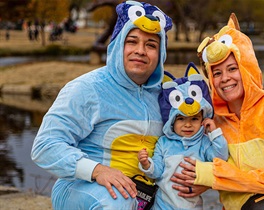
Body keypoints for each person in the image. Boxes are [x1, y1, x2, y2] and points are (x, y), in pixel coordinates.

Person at [170, 14, 264, 210]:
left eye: (232, 68)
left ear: (247, 67)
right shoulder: (212, 123)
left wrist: (214, 176)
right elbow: (191, 161)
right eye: (216, 73)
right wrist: (200, 180)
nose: (225, 78)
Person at [30, 1, 172, 209]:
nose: (140, 51)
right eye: (132, 41)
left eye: (151, 45)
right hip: (84, 189)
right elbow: (45, 146)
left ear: (161, 54)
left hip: (143, 194)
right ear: (117, 44)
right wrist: (97, 170)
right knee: (118, 198)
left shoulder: (167, 95)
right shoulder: (87, 88)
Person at [137, 63, 228, 209]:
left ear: (202, 119)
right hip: (163, 205)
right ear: (171, 121)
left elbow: (220, 158)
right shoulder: (163, 143)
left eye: (194, 119)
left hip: (192, 205)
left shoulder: (203, 142)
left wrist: (214, 133)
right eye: (181, 119)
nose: (188, 125)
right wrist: (146, 164)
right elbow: (158, 171)